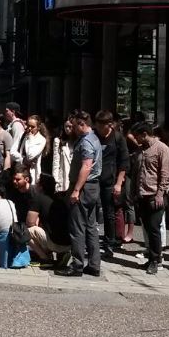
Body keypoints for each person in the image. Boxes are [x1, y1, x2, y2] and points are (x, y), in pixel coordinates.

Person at [56, 111, 102, 277]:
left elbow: (86, 166)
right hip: (92, 188)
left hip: (83, 188)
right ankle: (94, 265)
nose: (72, 129)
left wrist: (76, 190)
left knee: (77, 227)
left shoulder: (86, 142)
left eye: (74, 126)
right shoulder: (94, 138)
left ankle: (77, 265)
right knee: (91, 227)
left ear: (82, 124)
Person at [130, 122, 169, 274]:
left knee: (154, 228)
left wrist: (160, 194)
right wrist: (133, 193)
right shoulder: (140, 151)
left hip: (155, 196)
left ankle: (156, 259)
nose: (136, 140)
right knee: (147, 228)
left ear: (144, 134)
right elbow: (136, 173)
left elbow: (166, 175)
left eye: (137, 136)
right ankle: (151, 257)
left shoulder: (162, 149)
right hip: (142, 195)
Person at [94, 111, 129, 258]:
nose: (98, 128)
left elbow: (124, 161)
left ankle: (109, 242)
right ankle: (92, 241)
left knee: (109, 213)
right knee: (93, 210)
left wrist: (119, 183)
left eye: (101, 125)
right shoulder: (94, 136)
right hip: (95, 178)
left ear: (108, 125)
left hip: (110, 179)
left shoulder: (118, 138)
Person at [19, 115, 48, 185]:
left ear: (38, 128)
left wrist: (31, 138)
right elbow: (14, 152)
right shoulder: (24, 136)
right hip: (21, 170)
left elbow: (30, 156)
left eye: (32, 127)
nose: (29, 128)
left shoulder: (41, 140)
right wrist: (22, 159)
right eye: (28, 125)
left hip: (32, 173)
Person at [50, 117, 74, 190]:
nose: (67, 129)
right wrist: (55, 180)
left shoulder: (79, 141)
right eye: (65, 126)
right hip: (63, 178)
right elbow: (56, 162)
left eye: (70, 127)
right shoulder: (58, 141)